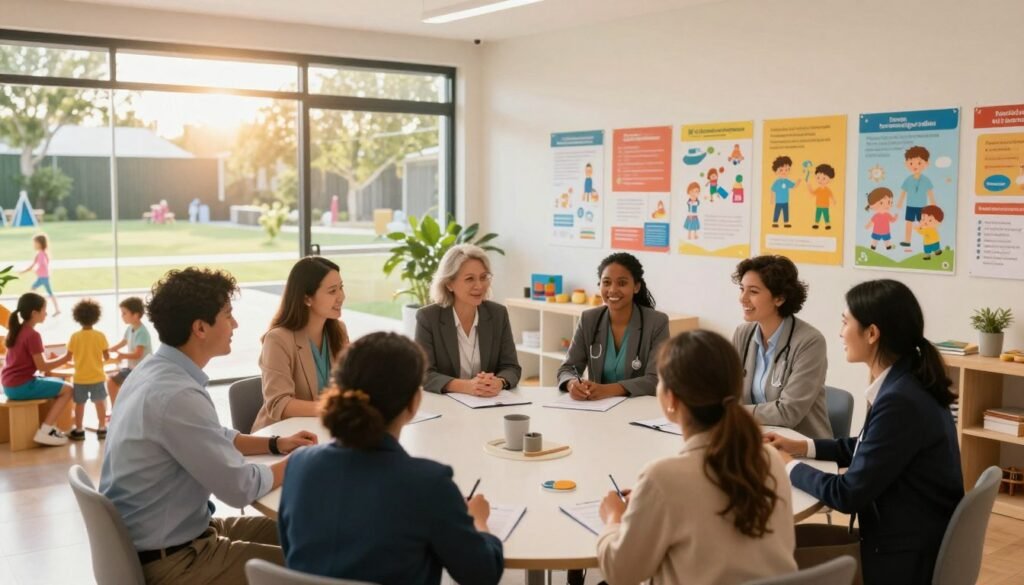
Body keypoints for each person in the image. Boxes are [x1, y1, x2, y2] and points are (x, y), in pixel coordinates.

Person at [99, 267, 317, 585]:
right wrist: (295, 463)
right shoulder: (177, 395)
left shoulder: (154, 371)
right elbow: (240, 488)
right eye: (228, 315)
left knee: (310, 534)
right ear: (200, 328)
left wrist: (273, 444)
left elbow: (210, 436)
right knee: (320, 563)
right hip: (177, 561)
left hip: (180, 536)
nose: (235, 324)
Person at [766, 279, 964, 585]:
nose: (840, 333)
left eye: (845, 323)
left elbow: (846, 495)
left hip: (898, 559)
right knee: (779, 544)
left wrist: (788, 465)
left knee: (768, 557)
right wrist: (801, 447)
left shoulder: (900, 400)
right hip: (907, 537)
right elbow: (868, 446)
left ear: (872, 333)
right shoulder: (906, 380)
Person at [279, 332, 504, 585]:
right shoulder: (428, 484)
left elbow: (292, 555)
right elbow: (483, 575)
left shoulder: (299, 465)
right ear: (413, 403)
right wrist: (477, 521)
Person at [596, 330, 797, 585]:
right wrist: (649, 501)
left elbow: (620, 573)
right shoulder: (770, 459)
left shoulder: (662, 477)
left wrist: (614, 517)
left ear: (672, 399)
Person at [732, 255, 832, 439]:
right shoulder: (742, 334)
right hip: (754, 439)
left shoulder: (810, 341)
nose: (742, 298)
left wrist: (732, 413)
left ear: (779, 298)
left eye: (753, 292)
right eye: (742, 289)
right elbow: (729, 393)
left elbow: (788, 412)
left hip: (800, 446)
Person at [253, 257, 350, 431]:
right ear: (307, 299)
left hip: (326, 430)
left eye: (341, 287)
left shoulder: (339, 331)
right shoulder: (278, 339)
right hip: (283, 436)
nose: (341, 297)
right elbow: (279, 404)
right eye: (332, 291)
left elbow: (349, 385)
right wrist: (333, 409)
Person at [557, 252, 669, 400]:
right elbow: (567, 368)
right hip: (598, 409)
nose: (612, 290)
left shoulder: (656, 322)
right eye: (607, 282)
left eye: (622, 283)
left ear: (636, 287)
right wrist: (572, 384)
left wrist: (607, 390)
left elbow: (656, 379)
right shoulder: (589, 319)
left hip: (639, 410)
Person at [416, 244, 521, 396]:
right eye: (469, 279)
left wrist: (499, 382)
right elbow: (425, 374)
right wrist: (466, 386)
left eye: (483, 277)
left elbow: (511, 367)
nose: (479, 285)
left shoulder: (498, 314)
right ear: (449, 284)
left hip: (489, 403)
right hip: (446, 406)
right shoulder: (428, 317)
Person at [1, 292, 73, 445]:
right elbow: (42, 366)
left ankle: (50, 427)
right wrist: (65, 358)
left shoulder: (17, 330)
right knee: (68, 389)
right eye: (43, 310)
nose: (46, 313)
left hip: (9, 385)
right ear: (34, 313)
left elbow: (33, 364)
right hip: (21, 386)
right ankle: (45, 430)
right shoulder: (33, 335)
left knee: (57, 382)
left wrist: (53, 360)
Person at [50, 299, 110, 440]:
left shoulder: (75, 337)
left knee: (79, 404)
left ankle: (79, 429)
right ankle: (102, 428)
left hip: (80, 378)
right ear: (96, 317)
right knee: (99, 402)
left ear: (77, 317)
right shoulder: (100, 336)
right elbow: (106, 356)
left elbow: (69, 357)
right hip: (97, 376)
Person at [107, 296, 154, 405]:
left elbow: (138, 354)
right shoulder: (130, 328)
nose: (122, 316)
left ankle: (116, 410)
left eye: (124, 313)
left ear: (136, 315)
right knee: (111, 381)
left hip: (141, 370)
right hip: (132, 368)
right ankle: (117, 408)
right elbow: (124, 342)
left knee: (112, 383)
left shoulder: (142, 332)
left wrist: (121, 355)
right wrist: (111, 349)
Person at [20, 233, 60, 316]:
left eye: (35, 243)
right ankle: (56, 309)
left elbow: (43, 264)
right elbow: (33, 266)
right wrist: (24, 271)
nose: (34, 245)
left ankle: (38, 307)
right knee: (49, 293)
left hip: (43, 278)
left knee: (33, 290)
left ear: (40, 243)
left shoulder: (41, 254)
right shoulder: (42, 253)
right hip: (44, 277)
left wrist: (36, 270)